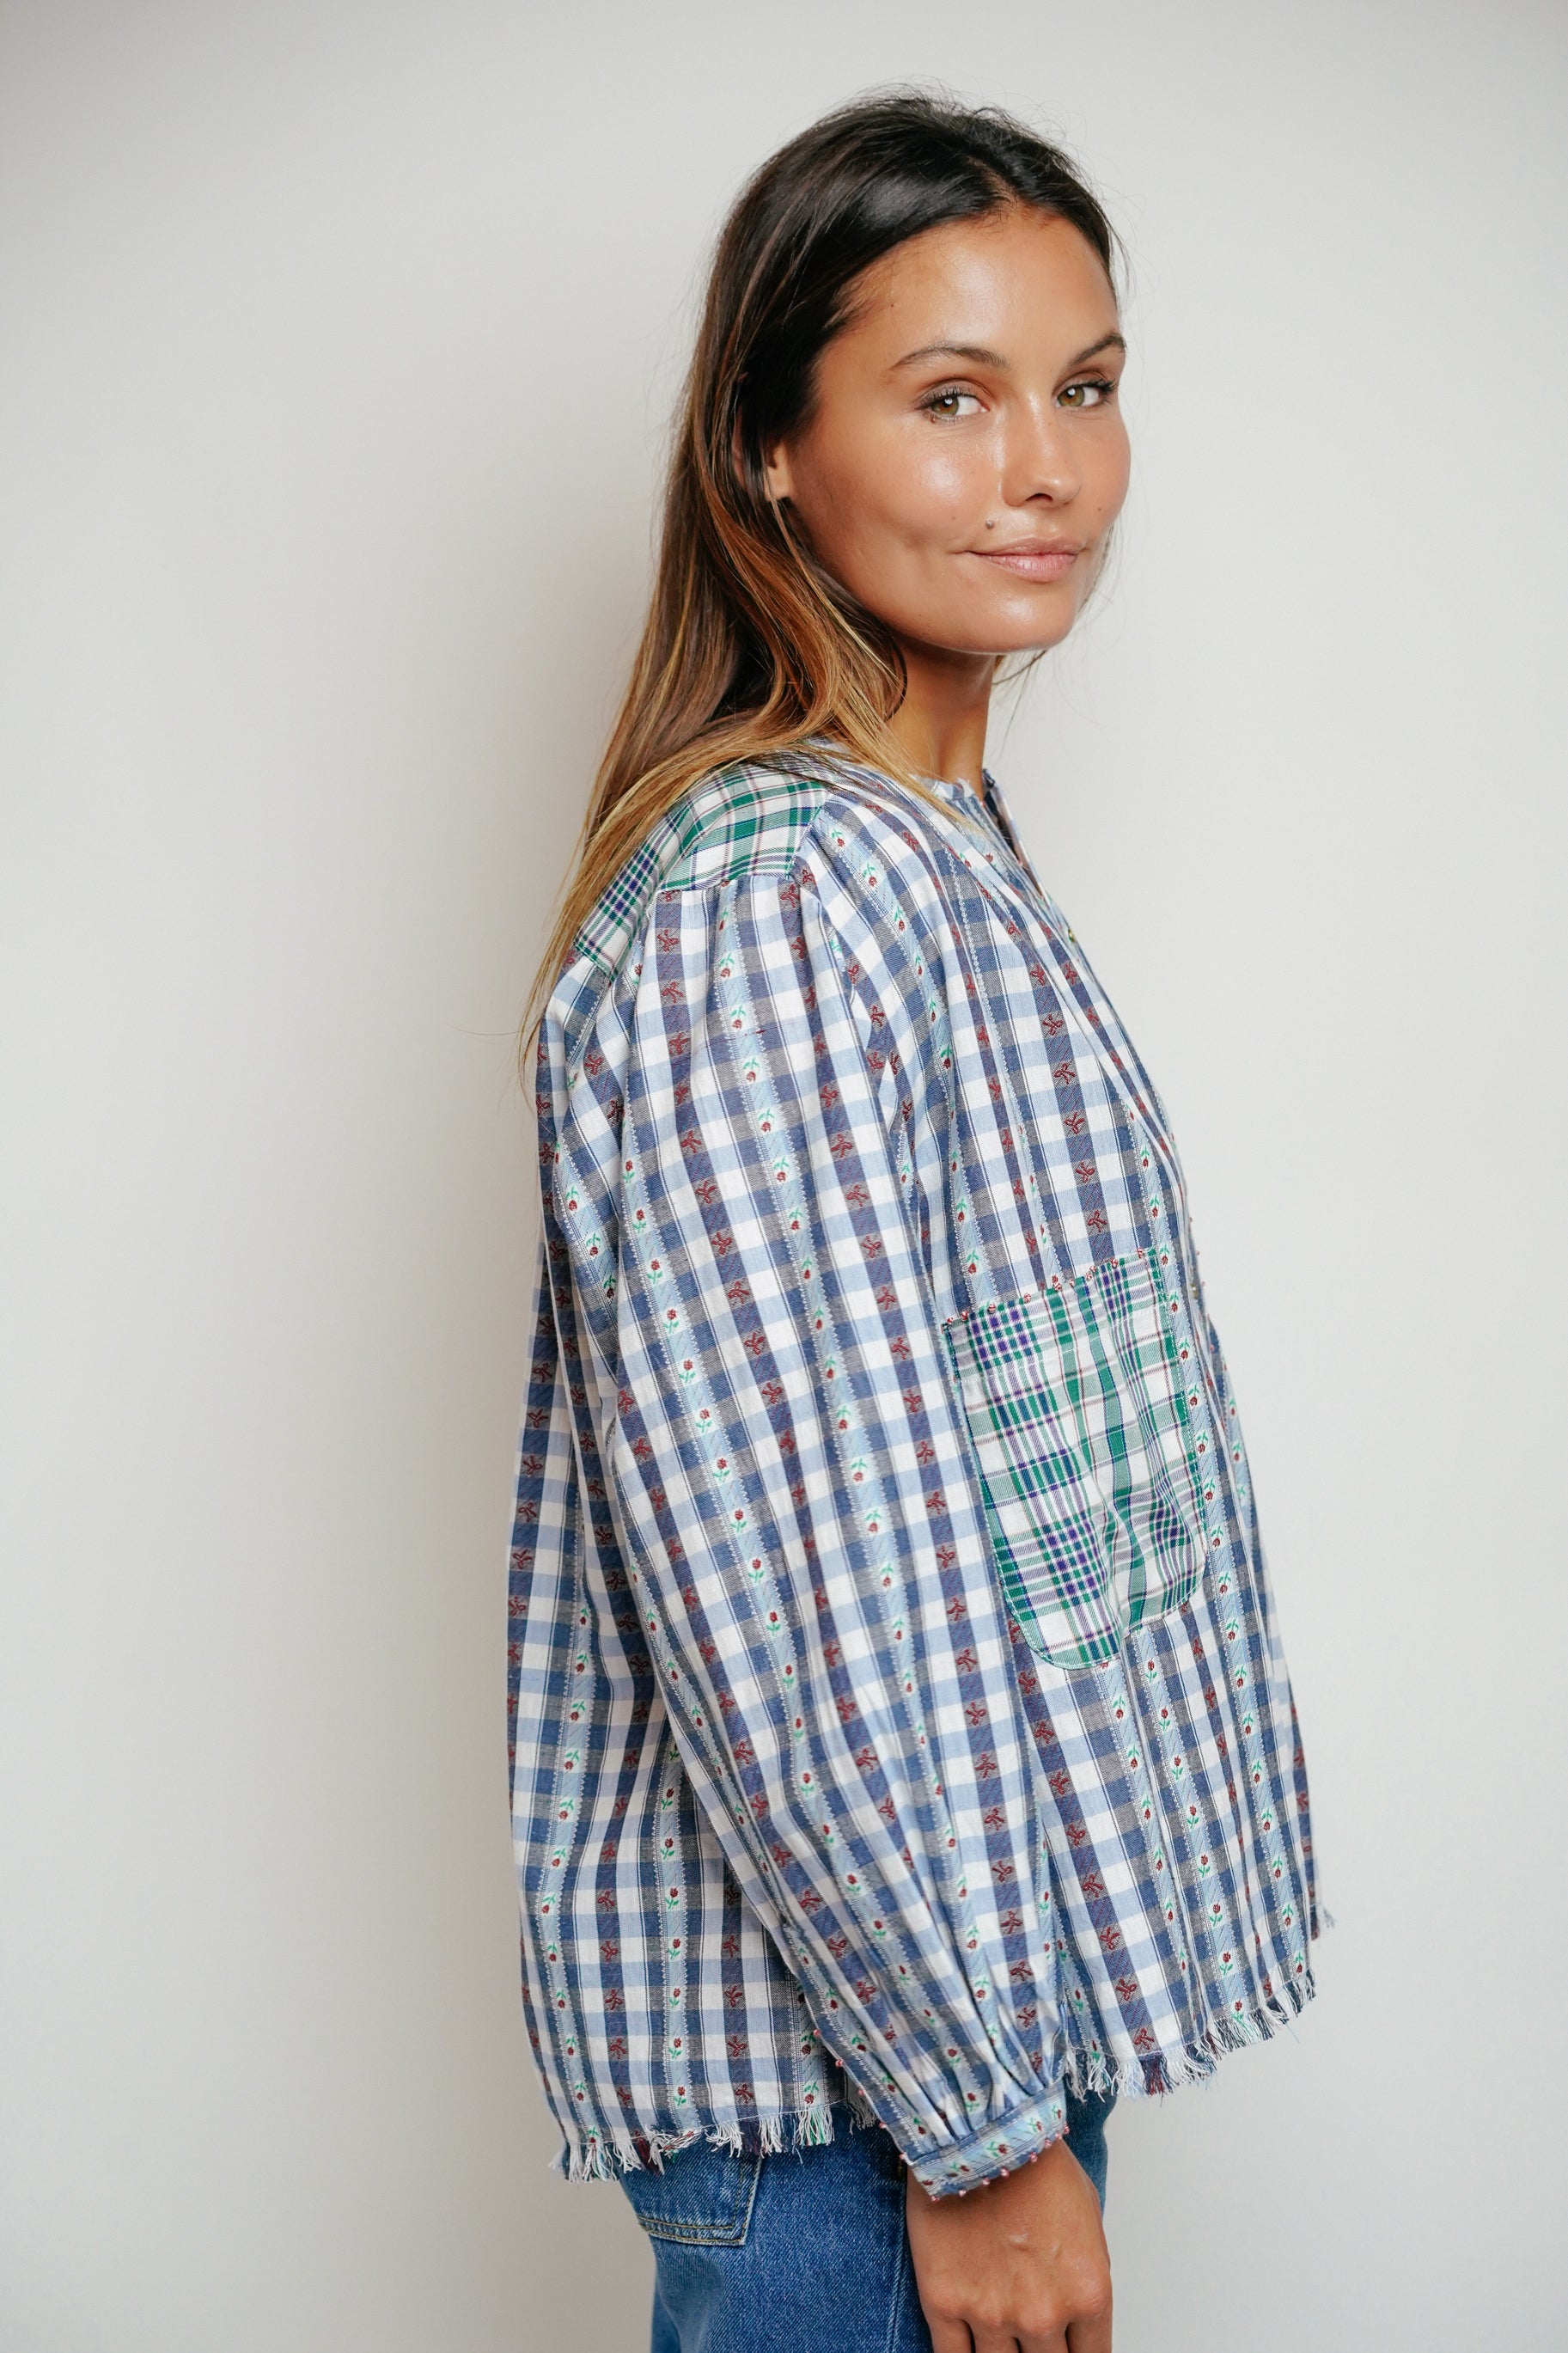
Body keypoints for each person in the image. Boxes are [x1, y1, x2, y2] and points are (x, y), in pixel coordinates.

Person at [507, 90, 1320, 2353]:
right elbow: (807, 1581)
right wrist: (979, 2127)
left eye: (1086, 385)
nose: (1044, 468)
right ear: (769, 447)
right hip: (864, 2112)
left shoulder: (922, 856)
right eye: (950, 398)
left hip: (958, 2030)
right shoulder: (781, 901)